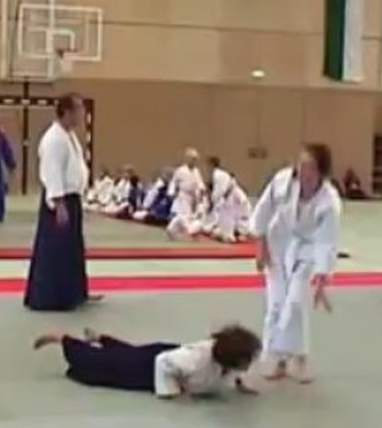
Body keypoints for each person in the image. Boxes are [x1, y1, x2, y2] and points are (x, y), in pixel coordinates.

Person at [251, 143, 341, 384]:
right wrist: (260, 246)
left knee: (295, 303)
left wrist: (322, 277)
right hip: (277, 243)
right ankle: (278, 358)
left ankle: (299, 357)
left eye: (309, 166)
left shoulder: (329, 201)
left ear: (321, 171)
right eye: (300, 164)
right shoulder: (282, 182)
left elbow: (327, 241)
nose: (302, 170)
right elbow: (263, 211)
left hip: (308, 250)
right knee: (276, 304)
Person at [33, 324, 261, 398]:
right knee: (99, 364)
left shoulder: (227, 361)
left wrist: (240, 385)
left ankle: (99, 338)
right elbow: (163, 362)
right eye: (246, 360)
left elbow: (233, 371)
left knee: (126, 354)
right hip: (154, 364)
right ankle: (62, 338)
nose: (248, 365)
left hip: (166, 355)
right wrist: (173, 394)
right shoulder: (196, 360)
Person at [24, 93, 99, 312]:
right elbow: (52, 171)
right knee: (55, 249)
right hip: (60, 199)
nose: (82, 114)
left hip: (71, 198)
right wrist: (58, 202)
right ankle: (50, 297)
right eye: (79, 110)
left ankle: (74, 293)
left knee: (71, 249)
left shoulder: (68, 135)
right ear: (67, 112)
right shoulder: (54, 138)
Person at [167, 148, 206, 239]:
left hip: (192, 196)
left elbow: (199, 183)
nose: (194, 161)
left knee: (184, 215)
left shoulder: (196, 171)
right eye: (192, 158)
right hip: (183, 195)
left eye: (195, 159)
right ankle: (186, 230)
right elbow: (174, 182)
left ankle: (171, 229)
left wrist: (201, 190)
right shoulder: (180, 170)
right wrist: (171, 192)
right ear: (187, 158)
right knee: (184, 215)